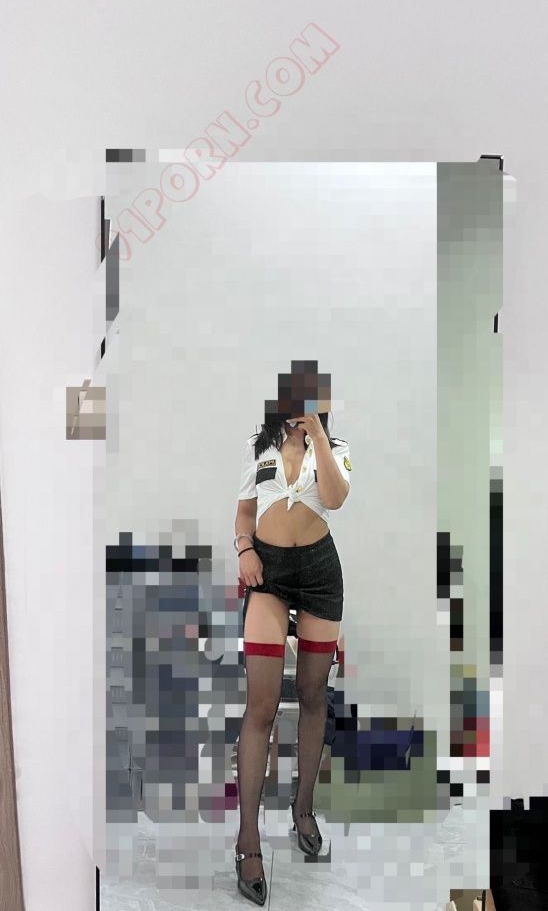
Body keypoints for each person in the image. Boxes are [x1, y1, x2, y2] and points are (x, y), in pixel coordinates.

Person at [233, 376, 351, 906]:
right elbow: (244, 510)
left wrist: (319, 437)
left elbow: (336, 499)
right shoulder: (258, 447)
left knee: (311, 694)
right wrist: (244, 549)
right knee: (261, 704)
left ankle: (303, 809)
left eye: (311, 398)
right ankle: (247, 841)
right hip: (269, 574)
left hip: (320, 574)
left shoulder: (337, 450)